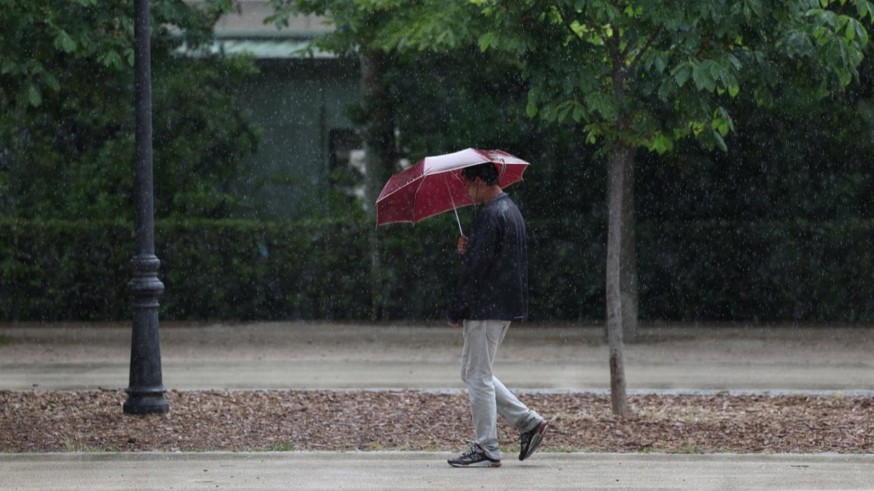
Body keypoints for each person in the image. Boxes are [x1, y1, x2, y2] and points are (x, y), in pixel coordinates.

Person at [446, 162, 548, 468]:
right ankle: (527, 422)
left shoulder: (491, 215)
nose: (465, 191)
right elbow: (493, 260)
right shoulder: (509, 210)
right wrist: (470, 249)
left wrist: (457, 308)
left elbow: (478, 270)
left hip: (486, 308)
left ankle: (487, 446)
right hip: (501, 305)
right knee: (474, 372)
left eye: (467, 184)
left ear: (479, 180)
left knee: (477, 375)